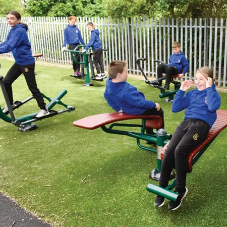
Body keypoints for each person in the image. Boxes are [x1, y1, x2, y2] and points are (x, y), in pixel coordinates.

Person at [154, 66, 221, 210]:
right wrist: (182, 90)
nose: (198, 82)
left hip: (200, 126)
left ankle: (180, 189)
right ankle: (162, 187)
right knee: (170, 149)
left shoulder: (213, 94)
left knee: (180, 151)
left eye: (202, 79)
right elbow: (175, 108)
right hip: (186, 123)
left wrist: (209, 88)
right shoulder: (191, 95)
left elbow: (212, 107)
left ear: (210, 80)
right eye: (196, 78)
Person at [0, 11, 47, 118]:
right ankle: (10, 104)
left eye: (12, 18)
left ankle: (44, 109)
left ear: (18, 20)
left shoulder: (20, 31)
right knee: (6, 82)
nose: (9, 21)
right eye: (8, 18)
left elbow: (10, 46)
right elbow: (6, 43)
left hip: (26, 63)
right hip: (19, 62)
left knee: (32, 87)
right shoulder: (13, 30)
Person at [104, 60, 164, 136]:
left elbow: (106, 96)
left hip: (127, 108)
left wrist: (117, 108)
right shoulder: (127, 90)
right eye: (126, 71)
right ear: (119, 75)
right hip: (137, 110)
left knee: (149, 112)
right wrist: (154, 105)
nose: (127, 73)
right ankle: (161, 136)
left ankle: (150, 134)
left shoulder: (109, 82)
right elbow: (139, 103)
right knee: (158, 111)